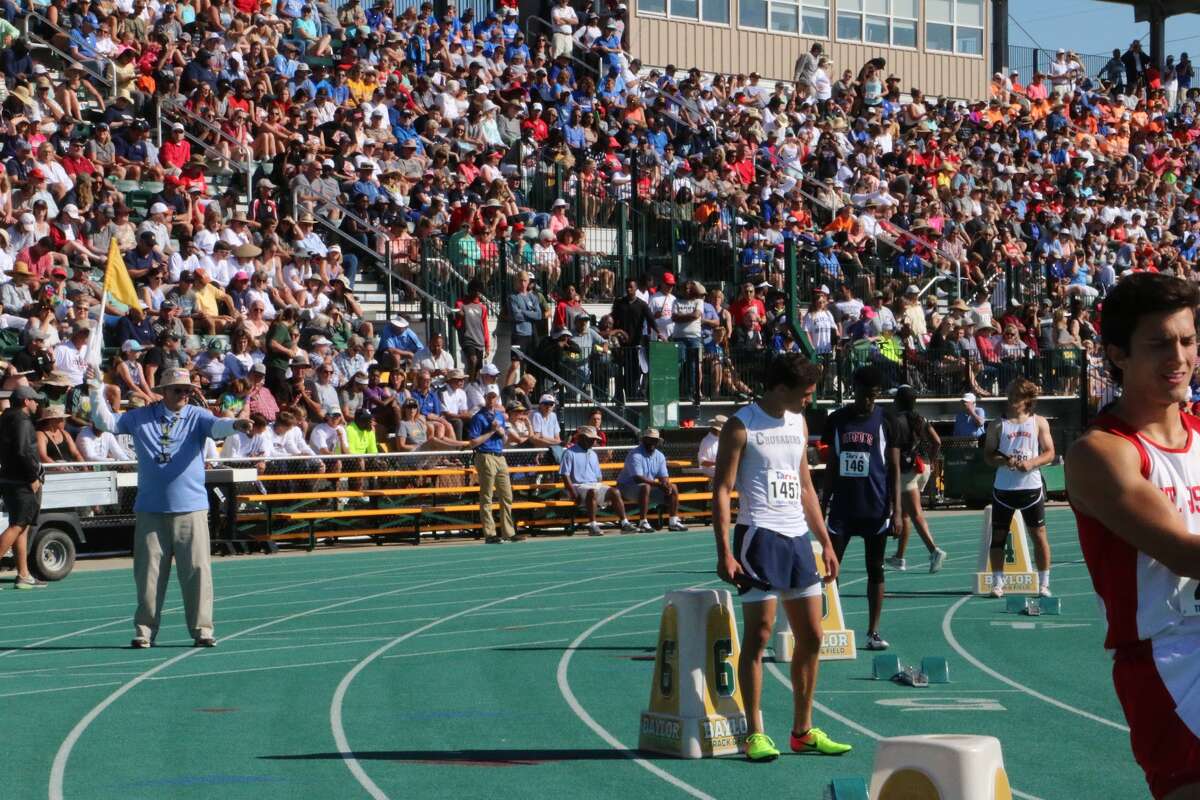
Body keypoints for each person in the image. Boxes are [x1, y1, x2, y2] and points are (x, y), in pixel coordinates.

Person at [1066, 273, 1200, 800]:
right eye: (1159, 343)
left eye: (1188, 340)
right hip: (1171, 663)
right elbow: (1183, 553)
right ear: (1118, 355)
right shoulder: (1103, 454)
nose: (1180, 357)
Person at [712, 352, 851, 762]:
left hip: (797, 538)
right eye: (805, 392)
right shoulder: (742, 426)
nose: (810, 399)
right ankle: (755, 732)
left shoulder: (798, 422)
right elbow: (722, 489)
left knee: (812, 637)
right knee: (758, 637)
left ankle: (802, 731)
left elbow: (805, 485)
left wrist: (824, 541)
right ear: (779, 389)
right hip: (759, 538)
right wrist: (724, 552)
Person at [90, 368, 251, 648]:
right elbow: (105, 422)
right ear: (163, 391)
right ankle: (144, 631)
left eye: (187, 390)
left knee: (198, 573)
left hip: (191, 509)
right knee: (148, 575)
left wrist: (236, 425)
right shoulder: (140, 416)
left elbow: (217, 426)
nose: (184, 394)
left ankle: (203, 629)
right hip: (151, 510)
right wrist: (95, 390)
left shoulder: (197, 416)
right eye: (177, 389)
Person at [821, 365, 902, 651]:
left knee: (875, 569)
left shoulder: (886, 420)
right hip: (842, 508)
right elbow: (831, 464)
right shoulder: (837, 420)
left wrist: (897, 511)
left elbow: (893, 468)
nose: (869, 400)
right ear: (854, 390)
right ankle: (830, 626)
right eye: (865, 395)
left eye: (875, 395)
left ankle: (873, 631)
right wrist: (823, 500)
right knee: (830, 569)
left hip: (876, 508)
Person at [984, 377, 1055, 598]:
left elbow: (1050, 452)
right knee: (998, 536)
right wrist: (1005, 461)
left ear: (1027, 399)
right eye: (1010, 396)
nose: (1012, 400)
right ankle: (998, 583)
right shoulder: (997, 424)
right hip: (1004, 489)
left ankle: (1043, 584)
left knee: (1039, 535)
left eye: (1017, 396)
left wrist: (1031, 463)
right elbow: (988, 456)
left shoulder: (1039, 422)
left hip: (1031, 489)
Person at [886, 385, 947, 573]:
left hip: (906, 471)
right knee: (905, 514)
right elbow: (937, 441)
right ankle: (899, 557)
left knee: (915, 514)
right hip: (924, 466)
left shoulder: (895, 420)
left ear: (898, 401)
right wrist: (932, 457)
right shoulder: (921, 419)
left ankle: (934, 550)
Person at [0, 385, 48, 589]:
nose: (37, 403)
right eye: (34, 400)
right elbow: (22, 451)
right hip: (22, 481)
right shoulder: (21, 420)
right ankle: (23, 574)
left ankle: (24, 574)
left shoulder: (6, 418)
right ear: (26, 401)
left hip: (10, 479)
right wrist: (32, 477)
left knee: (22, 525)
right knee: (18, 525)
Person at [466, 388, 523, 544]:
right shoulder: (478, 418)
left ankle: (508, 532)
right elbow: (473, 442)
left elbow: (503, 439)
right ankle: (490, 533)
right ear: (485, 398)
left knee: (506, 495)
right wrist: (492, 431)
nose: (491, 400)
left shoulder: (499, 416)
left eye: (494, 397)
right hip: (485, 455)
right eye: (489, 397)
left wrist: (500, 431)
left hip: (499, 456)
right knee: (487, 496)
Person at [560, 425, 635, 536]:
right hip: (578, 486)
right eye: (590, 439)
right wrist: (573, 493)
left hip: (594, 485)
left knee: (615, 492)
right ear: (581, 438)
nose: (593, 441)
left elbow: (598, 477)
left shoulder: (593, 454)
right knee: (592, 491)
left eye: (594, 439)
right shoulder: (569, 453)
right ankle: (593, 525)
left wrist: (601, 489)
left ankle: (624, 523)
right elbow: (565, 475)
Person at [616, 428, 687, 532]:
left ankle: (673, 521)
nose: (652, 442)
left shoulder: (660, 456)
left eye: (655, 440)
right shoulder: (635, 454)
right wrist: (659, 485)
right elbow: (637, 478)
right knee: (645, 486)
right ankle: (643, 522)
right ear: (644, 440)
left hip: (648, 488)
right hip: (626, 488)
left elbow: (663, 476)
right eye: (650, 440)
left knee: (673, 487)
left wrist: (666, 484)